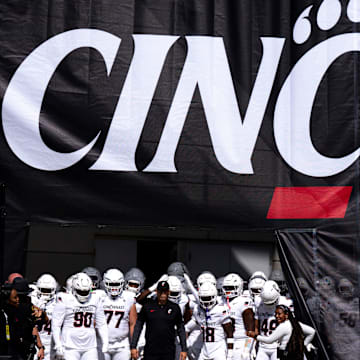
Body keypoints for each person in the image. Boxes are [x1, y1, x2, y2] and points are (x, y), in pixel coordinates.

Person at [52, 272, 108, 360]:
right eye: (80, 291)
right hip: (70, 346)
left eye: (85, 291)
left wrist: (105, 341)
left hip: (90, 346)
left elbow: (101, 323)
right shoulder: (65, 299)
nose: (83, 294)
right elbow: (56, 324)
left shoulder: (95, 298)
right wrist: (58, 344)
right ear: (73, 288)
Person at [130, 281, 187, 360]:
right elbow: (138, 326)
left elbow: (181, 329)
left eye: (165, 291)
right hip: (151, 350)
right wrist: (133, 346)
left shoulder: (175, 308)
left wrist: (184, 349)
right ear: (156, 292)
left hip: (168, 351)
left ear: (168, 292)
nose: (163, 294)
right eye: (161, 291)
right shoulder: (148, 306)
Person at [0, 278, 46, 360]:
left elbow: (33, 326)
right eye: (17, 297)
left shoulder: (27, 307)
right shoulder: (4, 313)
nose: (19, 300)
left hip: (23, 350)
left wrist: (40, 347)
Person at [248, 305, 315, 360]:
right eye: (276, 314)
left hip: (286, 355)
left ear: (286, 315)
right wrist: (303, 345)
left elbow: (269, 340)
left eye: (279, 314)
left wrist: (255, 336)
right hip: (297, 355)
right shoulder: (296, 323)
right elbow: (312, 332)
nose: (276, 316)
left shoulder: (283, 326)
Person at [102, 268, 137, 360]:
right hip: (102, 343)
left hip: (122, 344)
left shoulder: (128, 297)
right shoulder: (99, 297)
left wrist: (134, 345)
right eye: (111, 284)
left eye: (116, 284)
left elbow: (133, 324)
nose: (114, 287)